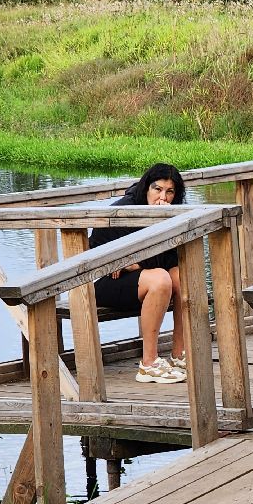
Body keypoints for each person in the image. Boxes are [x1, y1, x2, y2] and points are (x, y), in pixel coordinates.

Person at [89, 163, 189, 383]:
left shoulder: (172, 213)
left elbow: (172, 259)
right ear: (146, 188)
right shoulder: (124, 208)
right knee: (161, 279)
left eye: (169, 191)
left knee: (183, 277)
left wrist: (138, 265)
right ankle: (149, 363)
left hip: (147, 277)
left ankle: (179, 353)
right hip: (110, 284)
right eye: (157, 189)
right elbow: (94, 250)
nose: (163, 197)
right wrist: (119, 262)